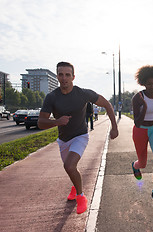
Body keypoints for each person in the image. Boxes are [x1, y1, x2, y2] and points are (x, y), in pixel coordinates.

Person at [38, 62, 118, 214]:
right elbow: (41, 122)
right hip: (63, 140)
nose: (64, 78)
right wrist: (57, 122)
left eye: (67, 75)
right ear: (57, 77)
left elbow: (107, 104)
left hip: (80, 136)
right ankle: (75, 188)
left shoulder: (82, 93)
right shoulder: (51, 97)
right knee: (71, 169)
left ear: (73, 77)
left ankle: (81, 197)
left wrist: (114, 127)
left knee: (69, 166)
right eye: (61, 74)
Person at [131, 65, 153, 205]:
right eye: (149, 84)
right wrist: (144, 108)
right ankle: (135, 166)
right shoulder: (138, 98)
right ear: (143, 83)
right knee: (143, 164)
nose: (152, 87)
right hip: (140, 130)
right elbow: (136, 121)